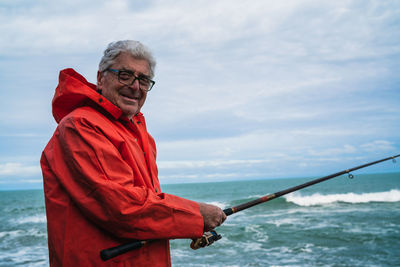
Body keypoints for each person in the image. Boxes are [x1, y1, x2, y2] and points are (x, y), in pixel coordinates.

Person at [40, 40, 226, 267]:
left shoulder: (141, 136)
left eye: (144, 80)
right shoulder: (80, 127)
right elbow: (122, 207)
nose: (135, 86)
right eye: (125, 75)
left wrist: (185, 224)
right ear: (101, 78)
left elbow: (147, 206)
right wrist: (195, 216)